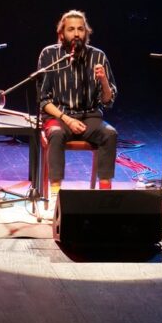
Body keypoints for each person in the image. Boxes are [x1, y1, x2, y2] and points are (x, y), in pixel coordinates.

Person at [38, 10, 118, 199]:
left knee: (110, 134)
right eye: (71, 29)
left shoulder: (98, 57)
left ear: (86, 33)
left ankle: (105, 196)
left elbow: (108, 101)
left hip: (89, 117)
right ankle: (58, 197)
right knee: (56, 134)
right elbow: (43, 100)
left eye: (80, 29)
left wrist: (104, 81)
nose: (76, 34)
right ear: (61, 34)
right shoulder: (49, 55)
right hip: (59, 116)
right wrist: (67, 119)